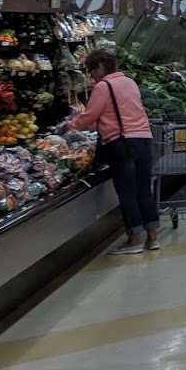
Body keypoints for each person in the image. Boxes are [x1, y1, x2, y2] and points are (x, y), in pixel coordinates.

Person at [68, 49, 159, 254]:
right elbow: (120, 113)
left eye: (91, 70)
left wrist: (71, 126)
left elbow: (89, 116)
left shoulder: (103, 86)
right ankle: (153, 238)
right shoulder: (130, 82)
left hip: (122, 144)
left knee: (127, 193)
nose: (91, 75)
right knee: (144, 190)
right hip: (144, 140)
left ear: (101, 66)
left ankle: (134, 240)